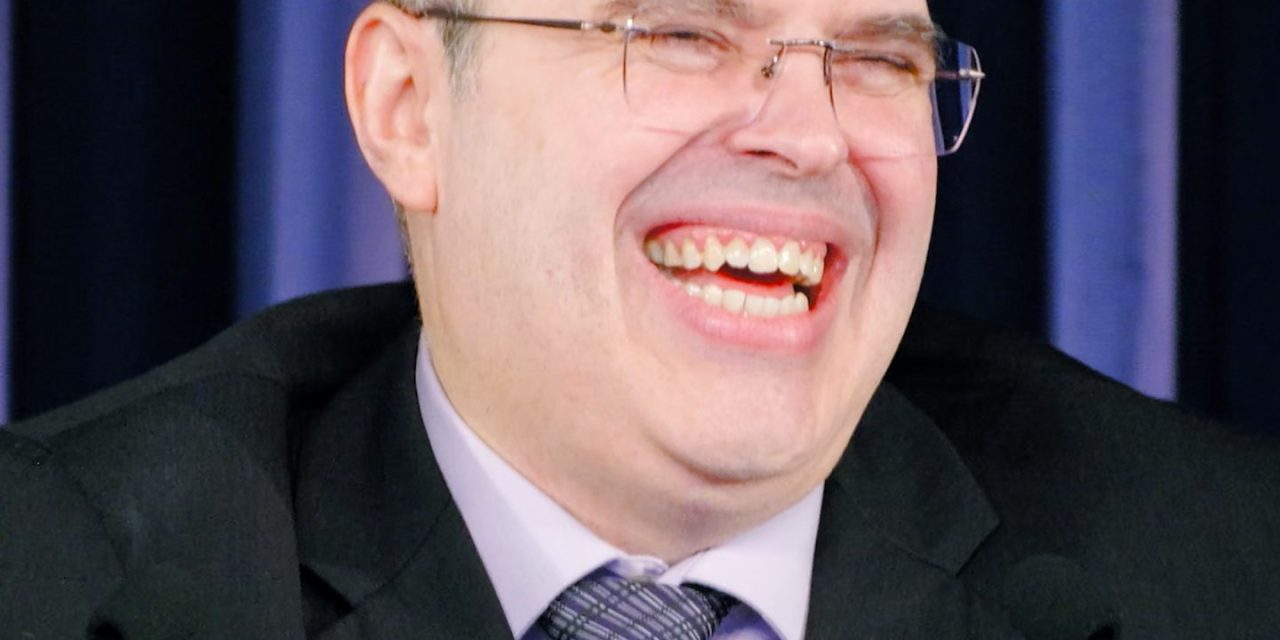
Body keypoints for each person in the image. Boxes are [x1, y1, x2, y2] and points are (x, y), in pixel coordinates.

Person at [2, 0, 1278, 638]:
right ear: (408, 109)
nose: (810, 134)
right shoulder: (58, 573)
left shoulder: (1226, 568)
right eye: (679, 32)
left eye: (878, 59)